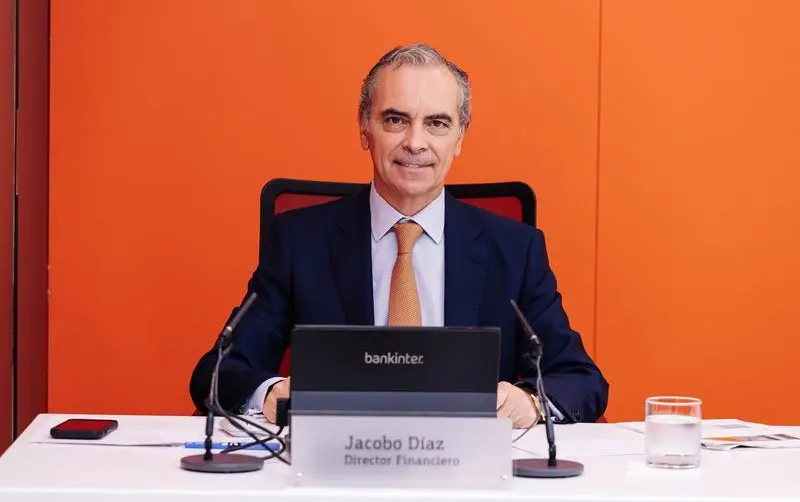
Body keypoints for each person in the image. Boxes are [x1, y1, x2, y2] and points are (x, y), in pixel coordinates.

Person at [189, 44, 608, 428]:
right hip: (340, 461)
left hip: (468, 465)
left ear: (459, 138)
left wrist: (530, 402)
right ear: (364, 128)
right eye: (396, 120)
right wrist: (270, 394)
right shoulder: (300, 243)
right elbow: (219, 372)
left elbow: (581, 380)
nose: (415, 142)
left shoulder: (515, 250)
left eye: (437, 123)